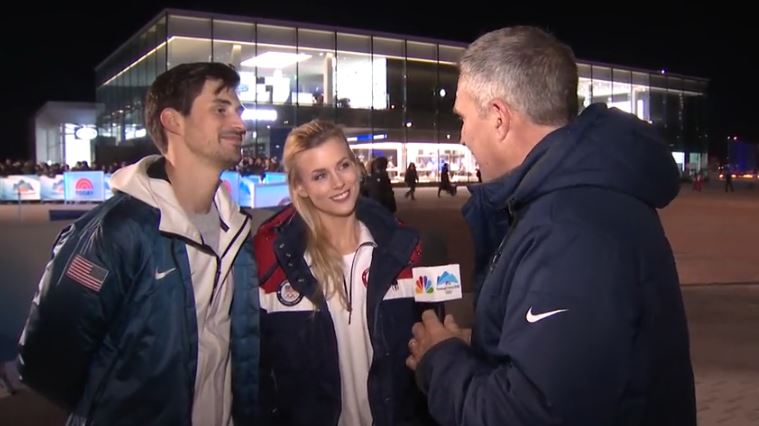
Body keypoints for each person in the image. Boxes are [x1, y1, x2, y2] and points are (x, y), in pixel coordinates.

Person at [406, 26, 696, 425]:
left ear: (498, 118)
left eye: (463, 117)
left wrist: (441, 360)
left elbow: (528, 414)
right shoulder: (566, 203)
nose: (461, 136)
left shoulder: (573, 232)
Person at [16, 62, 260, 426]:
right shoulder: (116, 231)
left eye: (238, 111)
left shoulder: (237, 230)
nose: (240, 124)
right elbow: (45, 364)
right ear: (173, 121)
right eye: (221, 109)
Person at [253, 120, 439, 426]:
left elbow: (431, 351)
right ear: (300, 187)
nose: (338, 183)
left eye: (343, 165)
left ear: (357, 166)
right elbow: (260, 374)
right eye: (320, 175)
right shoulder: (272, 266)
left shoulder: (408, 251)